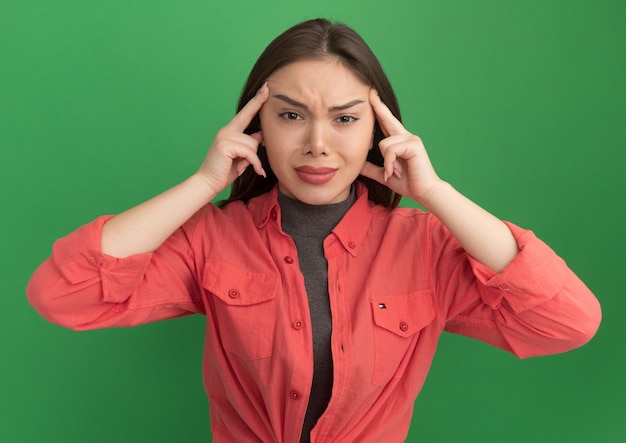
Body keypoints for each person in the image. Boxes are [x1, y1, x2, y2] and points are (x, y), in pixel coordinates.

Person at [27, 18, 601, 443]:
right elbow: (60, 294)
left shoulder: (425, 247)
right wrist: (203, 183)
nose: (317, 143)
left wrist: (435, 194)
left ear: (378, 130)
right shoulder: (212, 237)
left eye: (346, 118)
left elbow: (569, 322)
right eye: (292, 114)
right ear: (256, 124)